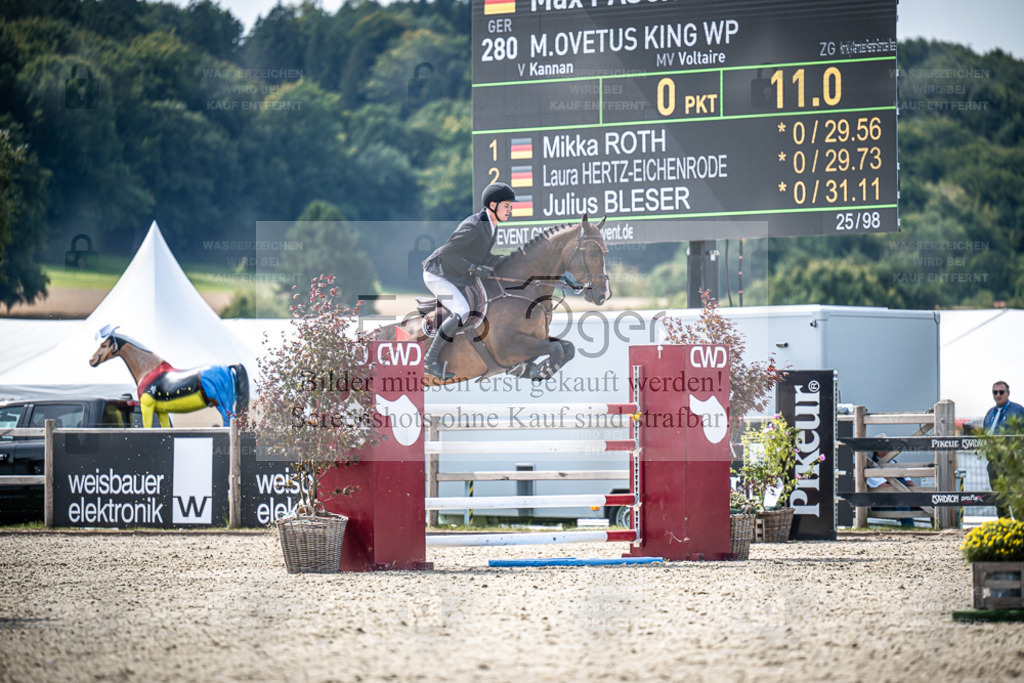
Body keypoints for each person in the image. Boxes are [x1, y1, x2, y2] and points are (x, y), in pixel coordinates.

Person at [421, 182, 515, 379]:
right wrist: (472, 268)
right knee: (462, 311)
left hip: (456, 275)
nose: (510, 210)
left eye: (510, 206)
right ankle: (430, 360)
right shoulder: (474, 226)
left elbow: (481, 256)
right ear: (492, 205)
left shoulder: (491, 226)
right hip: (438, 274)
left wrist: (503, 259)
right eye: (506, 206)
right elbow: (447, 252)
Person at [983, 381, 1024, 517]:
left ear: (1008, 393)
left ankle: (1020, 527)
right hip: (995, 463)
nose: (998, 395)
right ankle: (1004, 526)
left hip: (1013, 461)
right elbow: (984, 436)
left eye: (1001, 392)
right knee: (1000, 498)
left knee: (1016, 496)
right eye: (995, 392)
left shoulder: (1018, 410)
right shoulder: (990, 414)